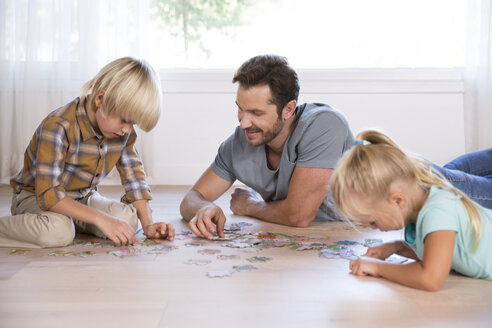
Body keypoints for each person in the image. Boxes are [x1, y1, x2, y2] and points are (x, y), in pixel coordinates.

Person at [0, 57, 175, 248]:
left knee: (128, 220)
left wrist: (148, 224)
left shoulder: (122, 132)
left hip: (81, 196)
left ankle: (72, 220)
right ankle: (59, 223)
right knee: (59, 232)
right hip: (36, 198)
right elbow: (49, 194)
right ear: (100, 99)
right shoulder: (58, 126)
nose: (127, 130)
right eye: (125, 120)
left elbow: (134, 179)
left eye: (133, 123)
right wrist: (102, 220)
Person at [180, 54, 354, 239]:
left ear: (288, 109)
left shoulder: (324, 125)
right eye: (240, 108)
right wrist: (205, 207)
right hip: (295, 240)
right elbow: (191, 199)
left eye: (256, 113)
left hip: (355, 231)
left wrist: (250, 206)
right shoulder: (239, 143)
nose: (244, 123)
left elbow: (298, 216)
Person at [330, 130, 492, 291]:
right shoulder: (419, 212)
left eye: (373, 221)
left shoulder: (438, 209)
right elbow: (436, 252)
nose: (370, 228)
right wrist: (394, 247)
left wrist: (378, 267)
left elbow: (431, 278)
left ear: (397, 200)